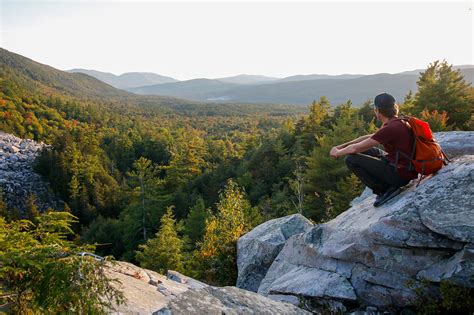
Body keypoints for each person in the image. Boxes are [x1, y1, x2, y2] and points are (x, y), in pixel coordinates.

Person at [329, 93, 418, 207]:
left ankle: (384, 189)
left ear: (377, 110)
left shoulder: (390, 128)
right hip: (404, 167)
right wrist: (341, 146)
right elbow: (367, 138)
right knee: (369, 150)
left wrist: (337, 153)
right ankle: (387, 186)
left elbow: (356, 148)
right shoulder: (398, 122)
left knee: (351, 159)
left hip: (400, 175)